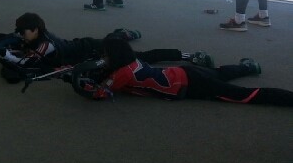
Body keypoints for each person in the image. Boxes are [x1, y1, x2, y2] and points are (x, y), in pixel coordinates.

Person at [0, 12, 211, 83]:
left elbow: (26, 62)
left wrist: (7, 55)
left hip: (93, 50)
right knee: (113, 39)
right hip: (84, 46)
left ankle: (189, 56)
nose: (21, 34)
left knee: (142, 57)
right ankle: (121, 34)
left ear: (35, 30)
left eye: (23, 31)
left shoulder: (46, 45)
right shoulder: (38, 37)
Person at [84, 37, 293, 106]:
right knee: (219, 72)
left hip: (189, 85)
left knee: (243, 95)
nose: (105, 58)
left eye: (106, 54)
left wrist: (83, 81)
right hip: (184, 73)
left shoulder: (121, 74)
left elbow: (100, 93)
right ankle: (248, 67)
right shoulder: (133, 61)